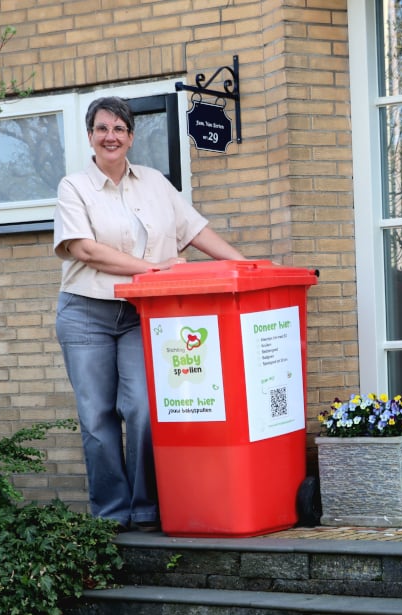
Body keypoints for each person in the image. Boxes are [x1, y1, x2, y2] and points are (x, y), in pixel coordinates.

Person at [53, 96, 246, 532]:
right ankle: (112, 514)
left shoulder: (156, 182)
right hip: (88, 313)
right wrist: (155, 270)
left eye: (119, 129)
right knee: (98, 416)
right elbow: (85, 249)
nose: (111, 136)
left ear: (131, 136)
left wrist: (245, 267)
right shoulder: (74, 187)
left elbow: (195, 231)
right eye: (102, 129)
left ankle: (144, 508)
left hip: (145, 314)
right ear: (90, 136)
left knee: (142, 407)